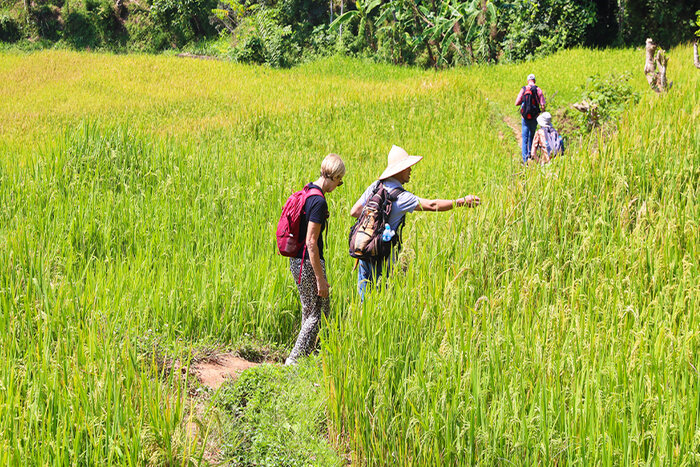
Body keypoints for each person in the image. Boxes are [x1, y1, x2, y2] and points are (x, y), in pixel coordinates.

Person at [350, 145, 480, 300]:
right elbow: (432, 205)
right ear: (399, 170)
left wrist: (372, 227)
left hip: (364, 251)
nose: (411, 170)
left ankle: (361, 324)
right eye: (408, 167)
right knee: (380, 301)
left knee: (364, 302)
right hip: (383, 257)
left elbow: (355, 211)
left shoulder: (375, 186)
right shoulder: (402, 197)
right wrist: (460, 202)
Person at [286, 153, 346, 365]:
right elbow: (312, 242)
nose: (338, 186)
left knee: (309, 309)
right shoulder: (319, 202)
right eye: (340, 182)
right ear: (335, 176)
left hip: (296, 261)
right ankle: (294, 362)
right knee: (319, 312)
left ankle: (305, 359)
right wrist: (320, 279)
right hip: (308, 262)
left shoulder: (308, 190)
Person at [515, 73, 546, 165]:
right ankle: (530, 154)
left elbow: (516, 103)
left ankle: (525, 160)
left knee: (524, 137)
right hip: (534, 116)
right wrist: (542, 113)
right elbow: (542, 105)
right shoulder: (538, 89)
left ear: (528, 81)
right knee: (532, 135)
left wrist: (523, 102)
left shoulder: (524, 89)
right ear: (535, 81)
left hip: (524, 117)